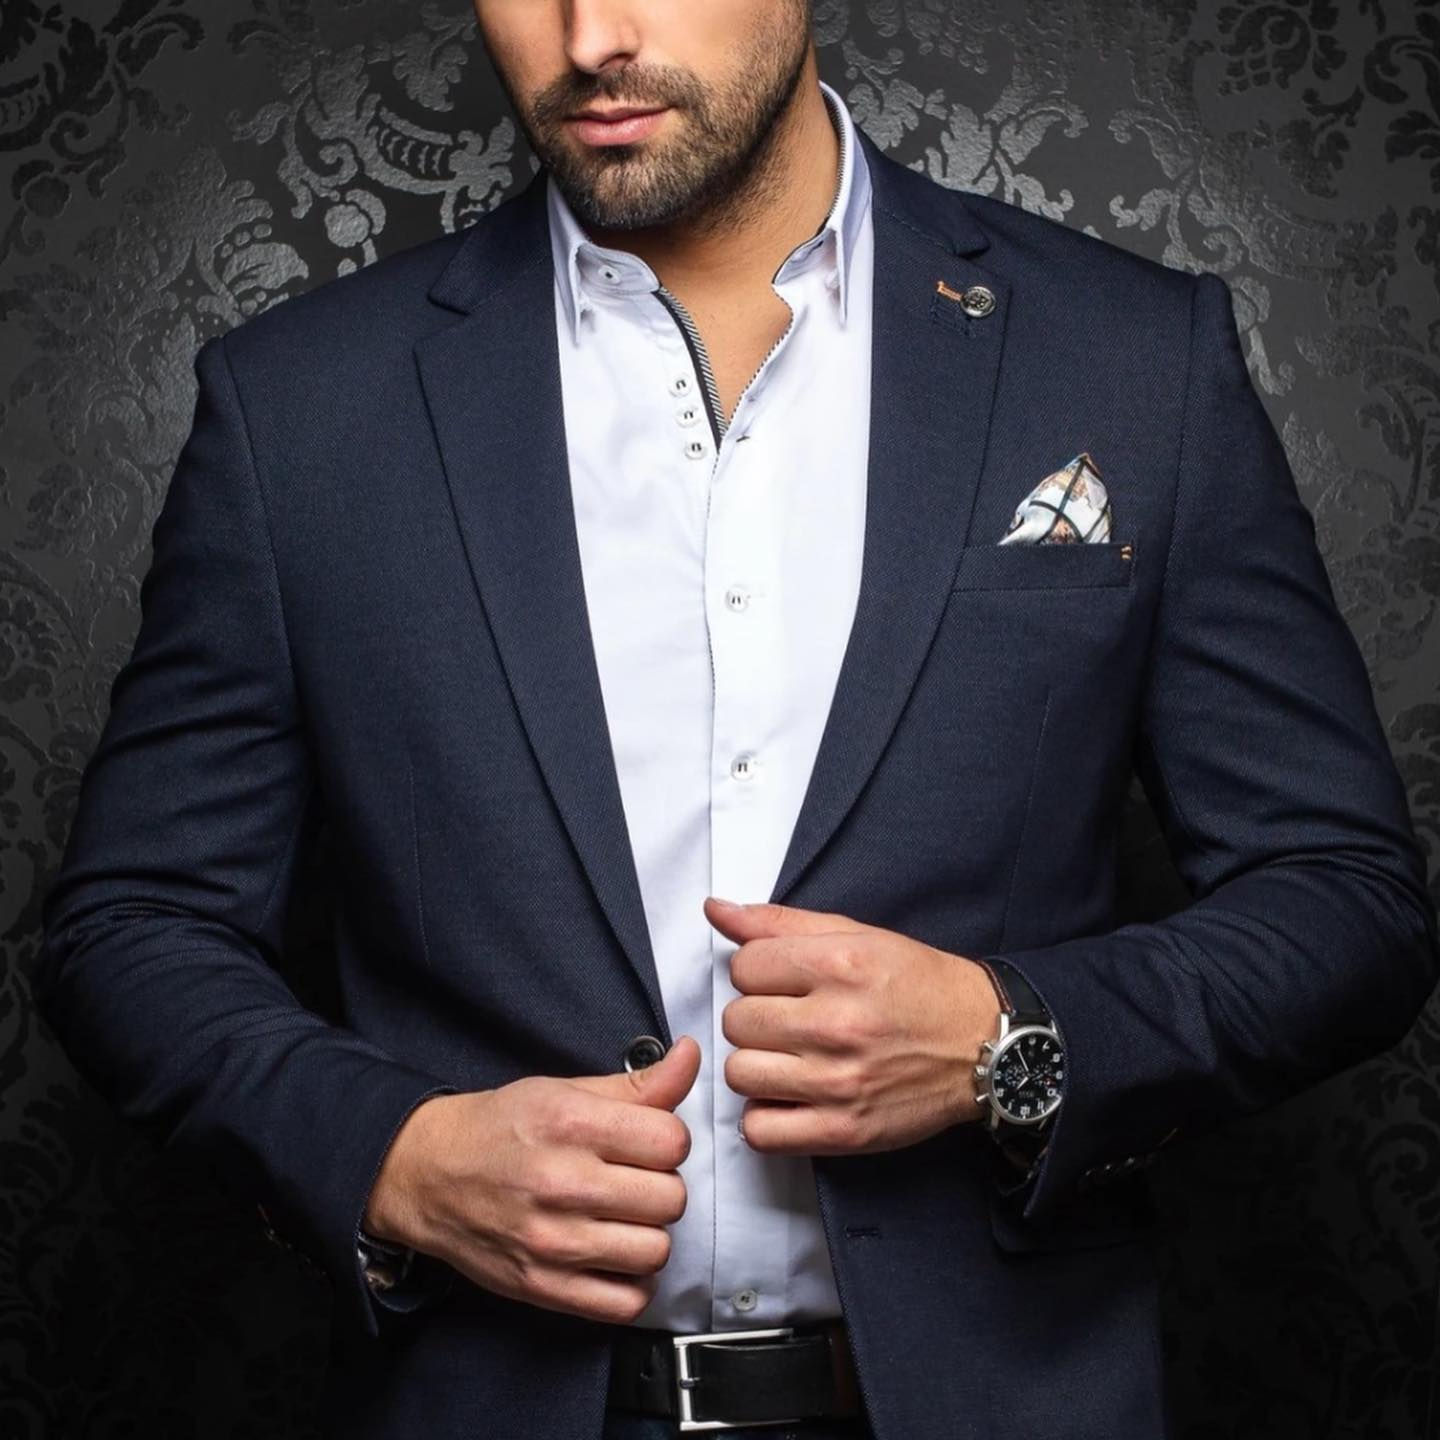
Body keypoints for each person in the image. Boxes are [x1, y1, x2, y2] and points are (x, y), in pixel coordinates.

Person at [34, 2, 1439, 1438]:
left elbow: (1345, 898)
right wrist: (393, 1157)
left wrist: (1008, 1034)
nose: (592, 36)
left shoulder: (1131, 356)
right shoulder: (302, 408)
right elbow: (134, 923)